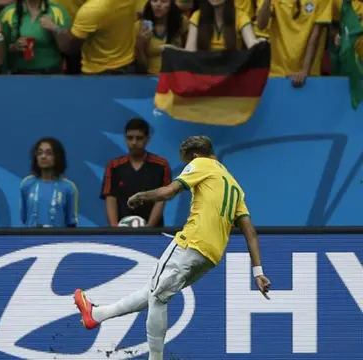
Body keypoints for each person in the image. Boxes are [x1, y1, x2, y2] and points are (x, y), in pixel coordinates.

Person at [74, 135, 271, 360]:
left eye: (187, 162)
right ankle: (96, 314)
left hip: (191, 242)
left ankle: (155, 358)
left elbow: (170, 191)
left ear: (195, 156)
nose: (188, 167)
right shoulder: (235, 187)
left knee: (158, 296)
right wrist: (258, 271)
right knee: (156, 291)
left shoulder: (201, 163)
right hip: (211, 256)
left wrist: (141, 196)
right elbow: (250, 232)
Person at [101, 118, 171, 227]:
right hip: (121, 232)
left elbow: (161, 199)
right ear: (125, 138)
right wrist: (115, 229)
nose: (134, 142)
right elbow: (110, 198)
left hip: (154, 232)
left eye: (139, 138)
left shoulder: (161, 165)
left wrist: (148, 228)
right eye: (130, 138)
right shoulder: (114, 166)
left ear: (148, 139)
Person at [20, 137, 78, 227]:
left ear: (57, 157)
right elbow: (24, 218)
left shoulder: (68, 187)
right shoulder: (27, 184)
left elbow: (71, 222)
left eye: (49, 153)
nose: (43, 156)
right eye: (39, 153)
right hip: (30, 238)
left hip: (57, 240)